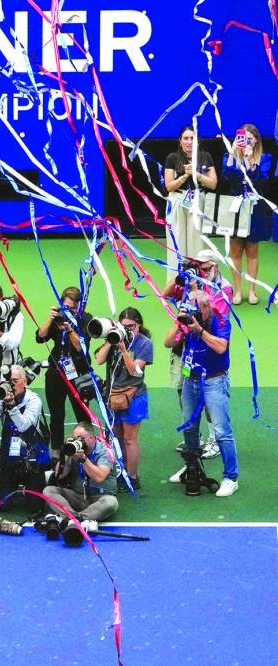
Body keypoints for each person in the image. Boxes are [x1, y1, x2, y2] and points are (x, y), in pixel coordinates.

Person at [165, 291, 239, 496]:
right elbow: (168, 342)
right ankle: (192, 468)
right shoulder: (187, 323)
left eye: (196, 309)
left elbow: (221, 348)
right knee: (189, 428)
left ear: (207, 307)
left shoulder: (222, 321)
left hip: (214, 380)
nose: (193, 314)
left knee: (222, 430)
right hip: (191, 380)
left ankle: (231, 477)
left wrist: (199, 331)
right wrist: (178, 321)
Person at [94, 307, 152, 489]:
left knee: (129, 438)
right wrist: (111, 341)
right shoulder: (113, 339)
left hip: (133, 395)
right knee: (116, 438)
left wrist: (124, 350)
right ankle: (121, 472)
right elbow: (99, 360)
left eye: (132, 326)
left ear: (139, 324)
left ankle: (132, 477)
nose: (128, 330)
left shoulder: (144, 343)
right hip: (113, 396)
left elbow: (134, 371)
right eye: (124, 326)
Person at [221, 123, 276, 305]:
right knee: (235, 250)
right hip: (236, 208)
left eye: (250, 139)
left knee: (252, 250)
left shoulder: (265, 158)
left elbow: (262, 180)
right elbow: (227, 176)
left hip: (255, 210)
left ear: (257, 140)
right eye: (243, 138)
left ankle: (252, 290)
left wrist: (251, 159)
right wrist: (233, 151)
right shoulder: (230, 157)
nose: (246, 142)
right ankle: (237, 290)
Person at [35, 287, 94, 451]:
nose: (69, 312)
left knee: (83, 416)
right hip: (56, 372)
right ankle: (56, 453)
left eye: (73, 308)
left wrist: (69, 329)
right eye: (66, 307)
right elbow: (40, 337)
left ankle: (87, 450)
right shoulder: (58, 318)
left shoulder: (86, 320)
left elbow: (80, 348)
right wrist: (51, 318)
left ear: (80, 307)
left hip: (79, 375)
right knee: (56, 415)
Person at [0, 365, 48, 512]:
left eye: (15, 380)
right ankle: (14, 488)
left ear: (25, 381)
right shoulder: (3, 397)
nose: (11, 384)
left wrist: (11, 405)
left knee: (34, 508)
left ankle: (45, 479)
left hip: (32, 459)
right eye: (8, 381)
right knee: (1, 506)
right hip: (11, 456)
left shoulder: (33, 400)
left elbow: (23, 425)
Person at [42, 422, 119, 530]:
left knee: (111, 503)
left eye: (81, 439)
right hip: (78, 496)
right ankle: (76, 520)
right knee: (49, 491)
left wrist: (83, 459)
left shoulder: (106, 450)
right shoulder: (73, 450)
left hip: (100, 498)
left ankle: (73, 519)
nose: (78, 442)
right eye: (75, 438)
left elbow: (99, 477)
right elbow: (59, 476)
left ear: (92, 438)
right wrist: (65, 455)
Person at [164, 126, 218, 275]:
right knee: (177, 243)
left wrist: (197, 174)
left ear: (197, 140)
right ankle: (177, 285)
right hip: (177, 200)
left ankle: (200, 284)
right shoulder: (172, 158)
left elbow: (213, 183)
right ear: (180, 141)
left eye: (192, 138)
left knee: (198, 244)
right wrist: (184, 176)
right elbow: (169, 186)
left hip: (198, 201)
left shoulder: (205, 156)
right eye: (185, 138)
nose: (189, 142)